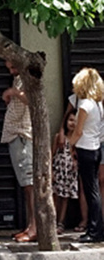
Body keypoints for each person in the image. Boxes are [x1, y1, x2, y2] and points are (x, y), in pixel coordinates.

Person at [1, 61, 36, 243]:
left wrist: (13, 93)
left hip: (22, 135)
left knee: (29, 184)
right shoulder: (18, 79)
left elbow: (32, 99)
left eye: (12, 65)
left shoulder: (28, 78)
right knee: (26, 185)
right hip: (16, 135)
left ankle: (34, 227)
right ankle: (31, 226)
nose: (10, 69)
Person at [69, 68, 104, 243]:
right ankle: (96, 228)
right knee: (94, 189)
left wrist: (70, 145)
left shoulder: (84, 105)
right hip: (96, 147)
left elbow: (78, 130)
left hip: (86, 149)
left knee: (91, 191)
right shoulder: (98, 104)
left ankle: (94, 230)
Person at [58, 94, 89, 233]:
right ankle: (58, 222)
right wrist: (61, 132)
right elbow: (66, 116)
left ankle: (87, 219)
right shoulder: (74, 99)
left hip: (89, 143)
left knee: (86, 186)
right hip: (62, 166)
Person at [52, 110, 78, 234]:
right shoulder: (59, 137)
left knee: (65, 197)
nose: (72, 123)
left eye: (75, 120)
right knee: (56, 196)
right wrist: (51, 171)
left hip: (70, 172)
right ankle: (53, 221)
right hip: (59, 169)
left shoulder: (78, 139)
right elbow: (52, 154)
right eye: (70, 120)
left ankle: (61, 222)